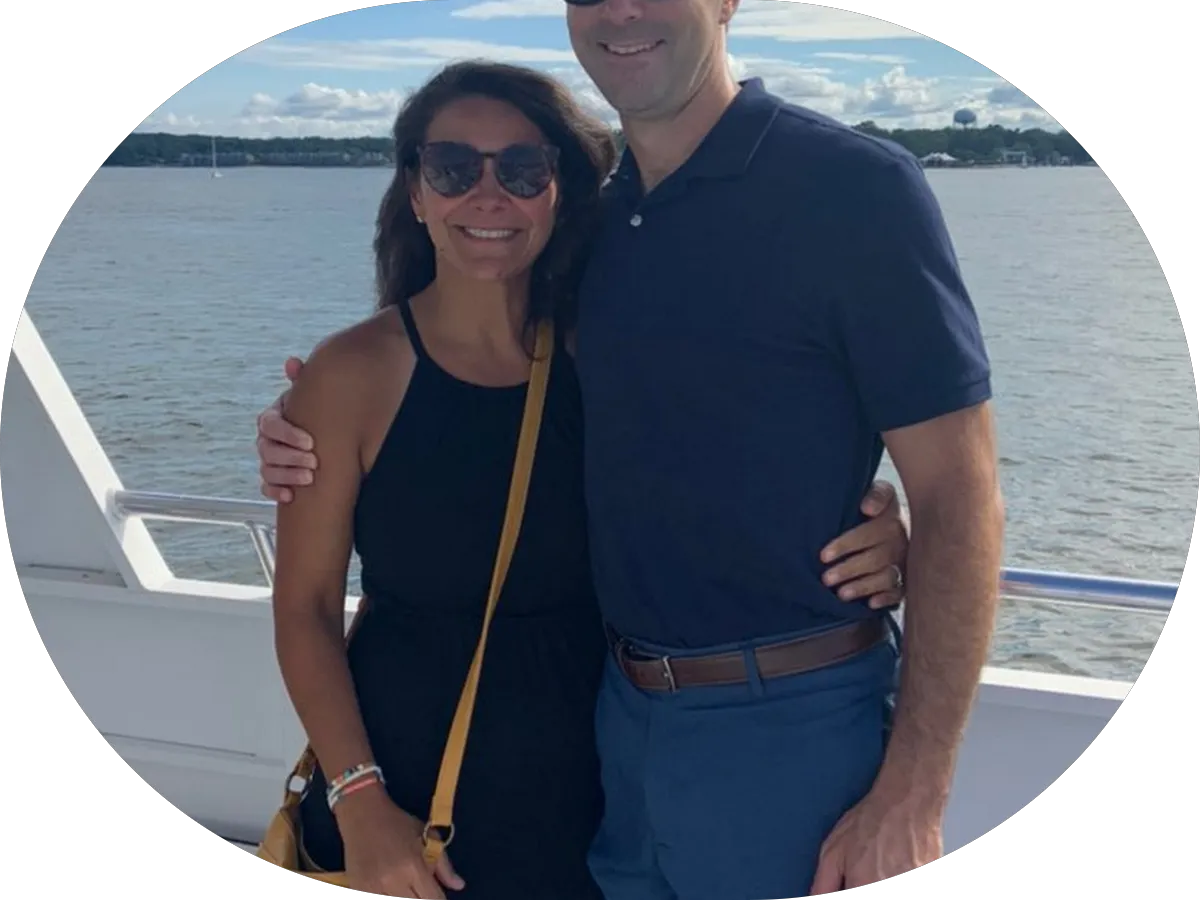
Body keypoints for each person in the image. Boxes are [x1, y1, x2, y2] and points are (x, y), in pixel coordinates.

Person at [261, 2, 1005, 898]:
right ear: (415, 189)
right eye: (453, 168)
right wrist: (302, 424)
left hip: (783, 723)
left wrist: (917, 788)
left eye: (521, 169)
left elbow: (962, 492)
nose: (621, 9)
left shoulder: (852, 187)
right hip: (615, 729)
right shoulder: (601, 228)